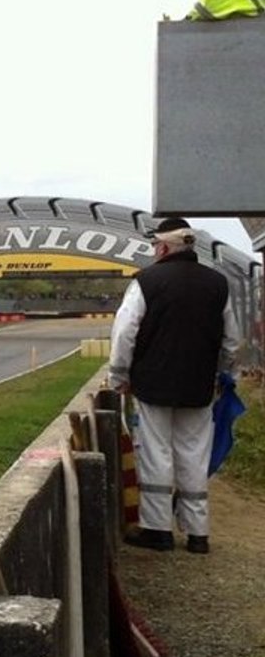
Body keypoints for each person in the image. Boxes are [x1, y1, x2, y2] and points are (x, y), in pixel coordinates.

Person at [108, 217, 241, 554]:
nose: (154, 251)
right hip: (199, 387)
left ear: (164, 247)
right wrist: (224, 374)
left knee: (156, 454)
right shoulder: (217, 283)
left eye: (155, 246)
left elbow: (124, 332)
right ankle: (198, 534)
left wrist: (119, 376)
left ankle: (158, 530)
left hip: (153, 385)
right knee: (194, 455)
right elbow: (233, 341)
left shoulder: (146, 281)